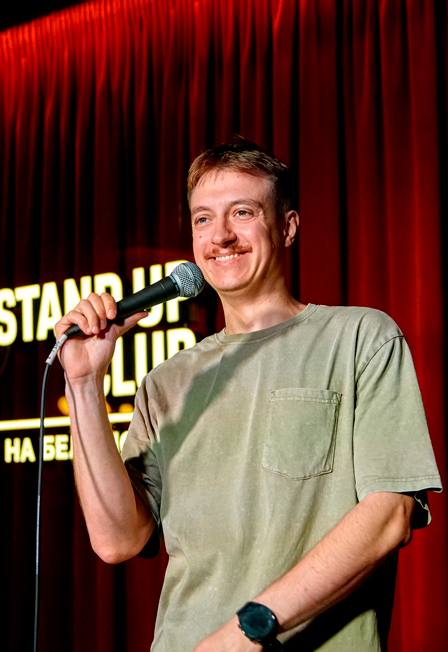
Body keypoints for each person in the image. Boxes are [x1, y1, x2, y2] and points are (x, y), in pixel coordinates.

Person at [55, 138, 442, 652]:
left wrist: (247, 631)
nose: (221, 235)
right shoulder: (166, 381)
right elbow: (117, 540)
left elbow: (389, 516)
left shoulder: (361, 339)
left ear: (288, 227)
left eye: (243, 212)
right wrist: (83, 384)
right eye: (203, 219)